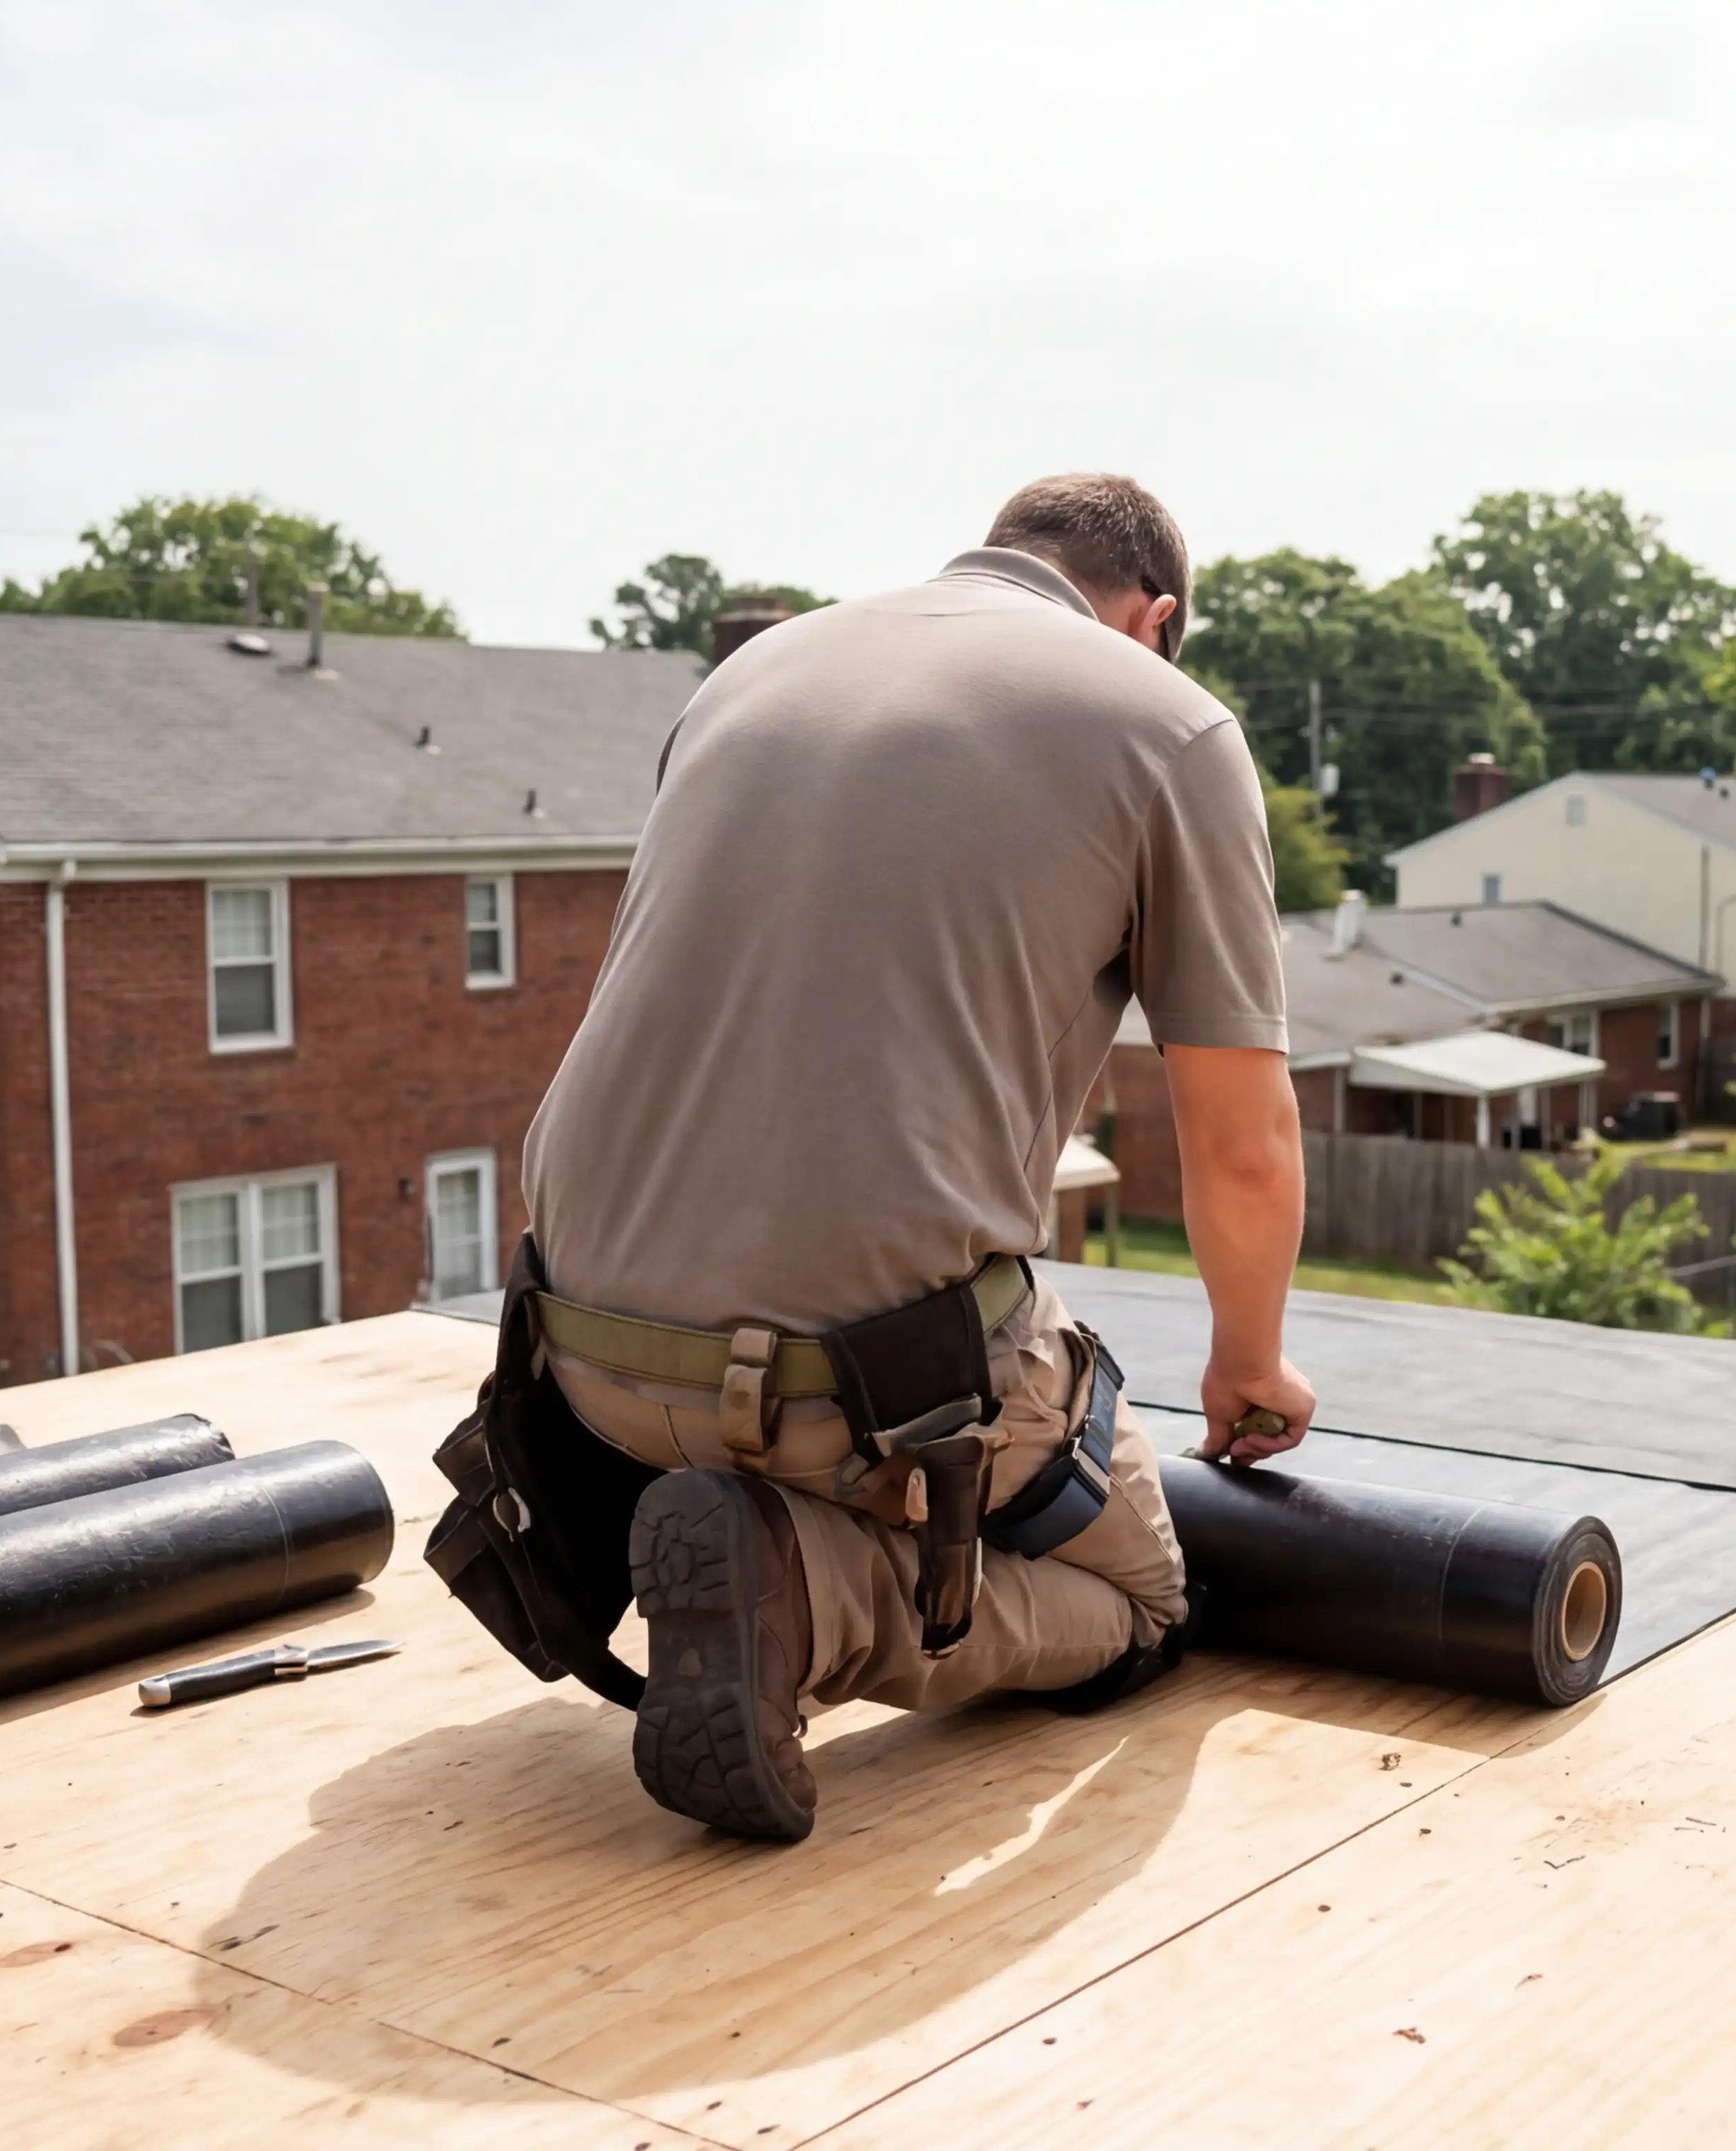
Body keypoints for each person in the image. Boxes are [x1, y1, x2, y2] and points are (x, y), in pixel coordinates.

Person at [499, 473, 1315, 1842]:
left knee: (883, 1388)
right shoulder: (1167, 725)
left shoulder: (754, 672)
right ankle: (809, 1597)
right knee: (1142, 1601)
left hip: (576, 1359)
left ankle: (752, 1545)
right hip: (846, 1387)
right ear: (1154, 620)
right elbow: (1240, 1146)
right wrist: (1249, 1363)